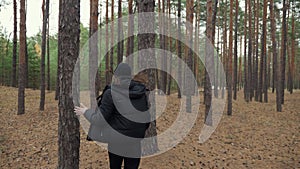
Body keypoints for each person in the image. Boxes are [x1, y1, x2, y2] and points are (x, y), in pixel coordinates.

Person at [74, 63, 150, 169]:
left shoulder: (110, 93)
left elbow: (100, 120)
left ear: (116, 76)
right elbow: (147, 120)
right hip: (135, 142)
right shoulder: (140, 92)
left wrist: (86, 111)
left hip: (117, 143)